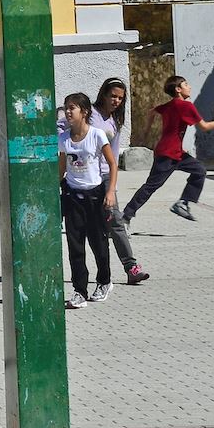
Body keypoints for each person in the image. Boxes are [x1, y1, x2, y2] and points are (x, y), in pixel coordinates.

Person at [123, 75, 214, 225]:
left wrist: (146, 132)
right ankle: (125, 216)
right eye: (186, 84)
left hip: (175, 152)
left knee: (199, 170)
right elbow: (204, 127)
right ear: (178, 89)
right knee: (151, 186)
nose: (190, 86)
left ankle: (183, 203)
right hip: (168, 154)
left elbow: (152, 111)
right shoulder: (186, 106)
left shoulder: (169, 105)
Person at [59, 92, 118, 310]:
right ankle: (79, 291)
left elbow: (112, 164)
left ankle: (104, 281)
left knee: (99, 243)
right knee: (75, 247)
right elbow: (62, 167)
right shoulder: (64, 138)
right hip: (73, 197)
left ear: (84, 112)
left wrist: (110, 191)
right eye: (66, 107)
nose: (67, 112)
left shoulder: (96, 135)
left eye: (72, 108)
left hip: (95, 196)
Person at [89, 79, 148, 284]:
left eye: (120, 98)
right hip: (84, 178)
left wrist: (112, 187)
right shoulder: (89, 114)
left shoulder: (115, 120)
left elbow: (113, 157)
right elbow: (65, 127)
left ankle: (131, 267)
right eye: (113, 95)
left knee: (115, 221)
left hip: (104, 178)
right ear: (104, 94)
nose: (116, 100)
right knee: (88, 229)